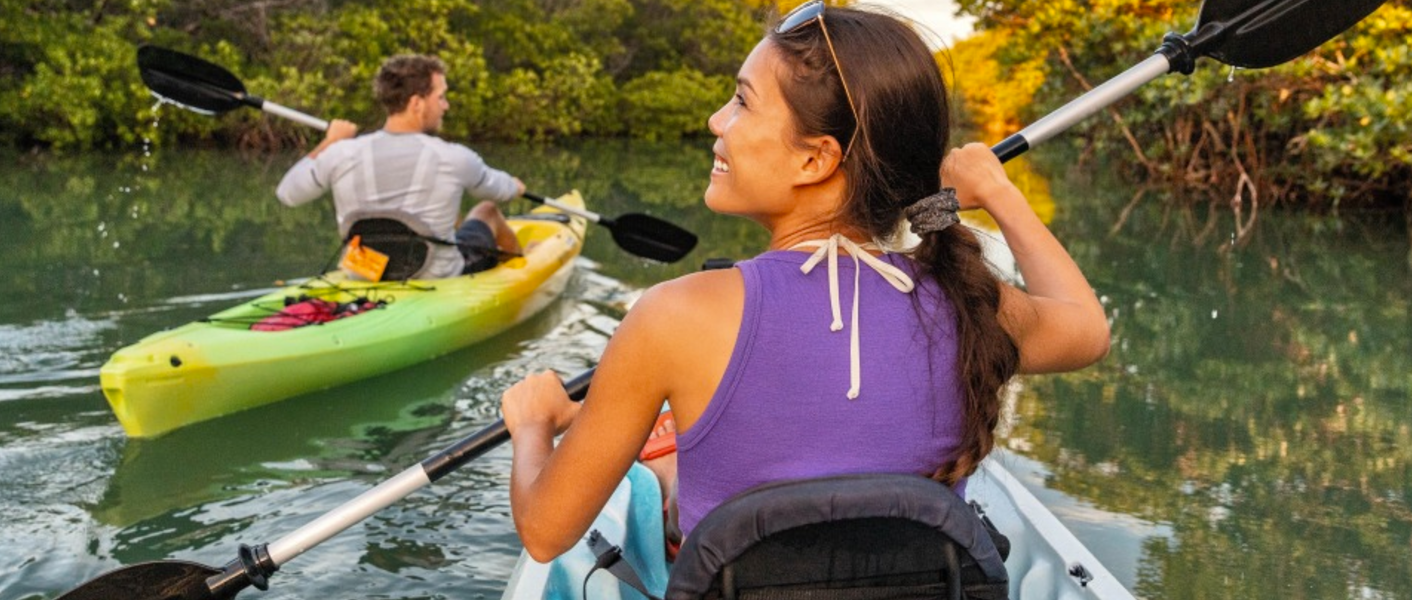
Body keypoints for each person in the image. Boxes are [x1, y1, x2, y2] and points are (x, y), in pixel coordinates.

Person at [499, 1, 1111, 563]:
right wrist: (1000, 194)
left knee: (662, 473)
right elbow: (1086, 330)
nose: (717, 120)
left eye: (741, 102)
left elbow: (547, 532)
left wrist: (533, 424)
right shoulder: (967, 300)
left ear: (815, 159)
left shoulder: (672, 316)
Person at [276, 54, 526, 278]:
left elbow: (287, 193)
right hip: (435, 276)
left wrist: (329, 142)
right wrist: (516, 187)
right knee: (487, 211)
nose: (445, 106)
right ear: (417, 103)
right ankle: (524, 269)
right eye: (440, 97)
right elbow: (501, 190)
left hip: (363, 274)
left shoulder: (341, 152)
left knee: (454, 220)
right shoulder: (454, 157)